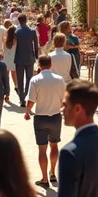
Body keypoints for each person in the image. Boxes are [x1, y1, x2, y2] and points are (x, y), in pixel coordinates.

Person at [25, 54, 66, 188]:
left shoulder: (35, 80)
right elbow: (64, 98)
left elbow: (31, 99)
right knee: (54, 145)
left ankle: (44, 179)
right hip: (55, 116)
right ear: (51, 64)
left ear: (39, 66)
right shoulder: (59, 80)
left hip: (40, 117)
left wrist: (27, 112)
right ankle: (53, 172)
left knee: (42, 149)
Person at [15, 13, 39, 107]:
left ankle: (21, 99)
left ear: (19, 21)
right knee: (29, 79)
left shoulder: (17, 31)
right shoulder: (32, 31)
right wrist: (36, 56)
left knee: (20, 79)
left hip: (19, 57)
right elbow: (36, 45)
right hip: (30, 57)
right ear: (26, 20)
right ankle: (26, 96)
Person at [2, 24, 18, 95]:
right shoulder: (17, 41)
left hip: (6, 58)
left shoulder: (5, 40)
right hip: (14, 58)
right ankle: (16, 86)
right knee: (14, 74)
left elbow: (4, 50)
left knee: (6, 75)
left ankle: (6, 89)